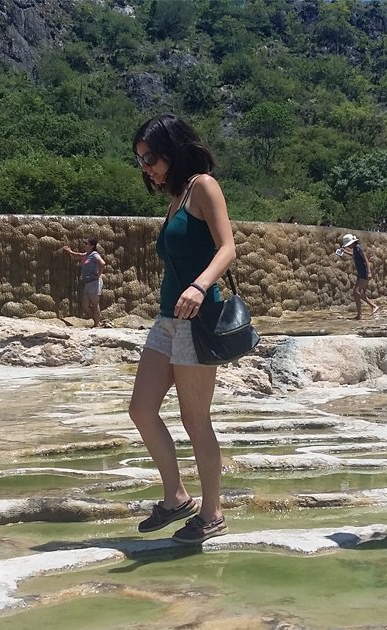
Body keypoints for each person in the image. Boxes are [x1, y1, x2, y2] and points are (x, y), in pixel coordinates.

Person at [128, 114, 235, 544]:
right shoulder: (175, 198)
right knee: (140, 409)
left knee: (195, 419)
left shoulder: (203, 186)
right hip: (167, 320)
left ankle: (212, 514)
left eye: (150, 157)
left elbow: (228, 247)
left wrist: (199, 285)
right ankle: (176, 496)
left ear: (172, 148)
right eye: (140, 160)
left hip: (196, 317)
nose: (146, 167)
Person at [62, 237, 107, 327]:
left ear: (92, 245)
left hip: (94, 282)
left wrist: (98, 275)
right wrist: (70, 252)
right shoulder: (87, 254)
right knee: (85, 306)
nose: (84, 245)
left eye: (86, 243)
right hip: (87, 283)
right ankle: (97, 320)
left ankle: (97, 323)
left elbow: (102, 263)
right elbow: (79, 255)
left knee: (95, 304)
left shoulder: (94, 254)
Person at [340, 234, 379, 319]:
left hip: (364, 272)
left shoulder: (358, 248)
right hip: (360, 273)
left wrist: (369, 272)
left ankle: (371, 308)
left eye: (348, 245)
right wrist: (345, 251)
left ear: (352, 243)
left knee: (356, 292)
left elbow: (366, 260)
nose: (348, 246)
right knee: (357, 293)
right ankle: (361, 313)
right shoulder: (355, 249)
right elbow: (354, 255)